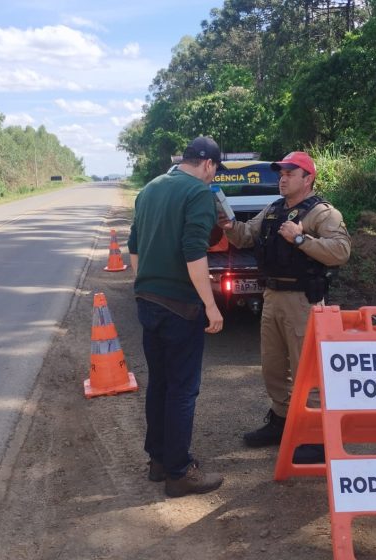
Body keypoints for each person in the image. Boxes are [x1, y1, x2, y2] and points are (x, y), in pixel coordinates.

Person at [220, 151, 351, 463]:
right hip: (272, 297)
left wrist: (301, 240)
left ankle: (318, 438)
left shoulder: (322, 214)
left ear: (307, 179)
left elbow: (341, 251)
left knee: (309, 371)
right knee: (273, 367)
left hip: (303, 301)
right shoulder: (273, 209)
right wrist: (227, 224)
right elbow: (245, 237)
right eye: (281, 172)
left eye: (290, 173)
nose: (282, 177)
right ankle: (281, 424)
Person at [127, 136, 226, 497]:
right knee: (183, 389)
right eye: (214, 171)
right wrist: (211, 305)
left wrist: (144, 284)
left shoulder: (151, 188)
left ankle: (158, 460)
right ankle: (179, 471)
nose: (212, 178)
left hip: (147, 300)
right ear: (209, 165)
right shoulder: (199, 193)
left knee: (160, 383)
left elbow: (134, 245)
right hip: (180, 306)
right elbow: (193, 253)